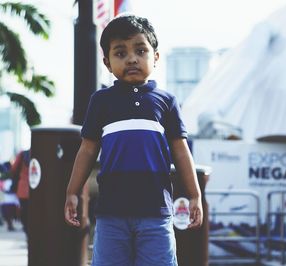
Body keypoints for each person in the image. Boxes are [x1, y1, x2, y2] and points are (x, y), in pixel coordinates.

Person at [64, 14, 203, 266]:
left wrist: (195, 195)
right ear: (107, 63)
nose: (131, 58)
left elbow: (181, 152)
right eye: (120, 53)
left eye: (140, 50)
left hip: (156, 213)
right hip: (110, 214)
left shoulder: (167, 102)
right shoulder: (101, 101)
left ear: (156, 57)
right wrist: (72, 191)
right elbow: (86, 151)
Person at [10, 150, 30, 234]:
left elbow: (14, 169)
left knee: (24, 210)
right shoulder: (42, 153)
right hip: (38, 189)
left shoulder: (22, 154)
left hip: (23, 189)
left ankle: (26, 229)